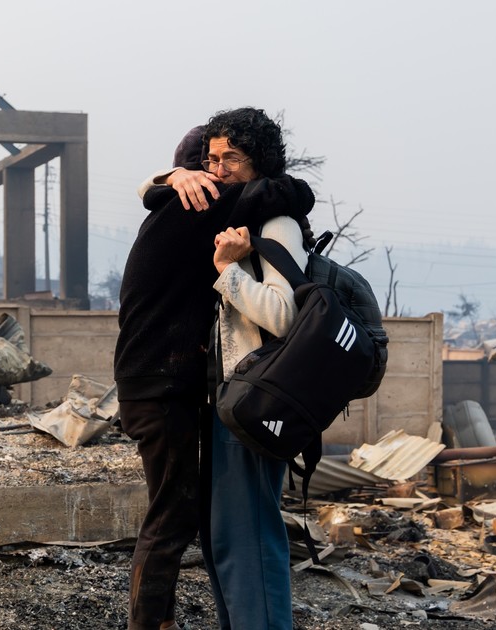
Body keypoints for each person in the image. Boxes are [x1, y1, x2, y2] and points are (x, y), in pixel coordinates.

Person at [114, 107, 315, 630]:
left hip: (199, 389)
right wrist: (175, 179)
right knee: (180, 516)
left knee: (216, 524)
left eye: (230, 159)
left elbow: (282, 313)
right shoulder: (204, 203)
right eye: (209, 160)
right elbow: (291, 192)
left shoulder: (199, 204)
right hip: (165, 386)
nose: (217, 171)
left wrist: (168, 177)